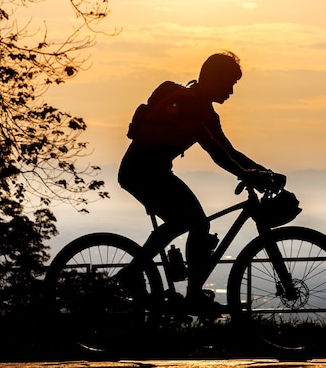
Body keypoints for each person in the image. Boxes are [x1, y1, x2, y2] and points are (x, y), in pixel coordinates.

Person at [118, 51, 284, 312]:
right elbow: (216, 153)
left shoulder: (206, 112)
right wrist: (248, 174)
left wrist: (263, 171)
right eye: (229, 83)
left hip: (156, 171)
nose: (231, 91)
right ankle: (145, 277)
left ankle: (174, 287)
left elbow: (229, 150)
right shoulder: (190, 105)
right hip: (140, 172)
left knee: (195, 223)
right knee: (189, 221)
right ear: (213, 78)